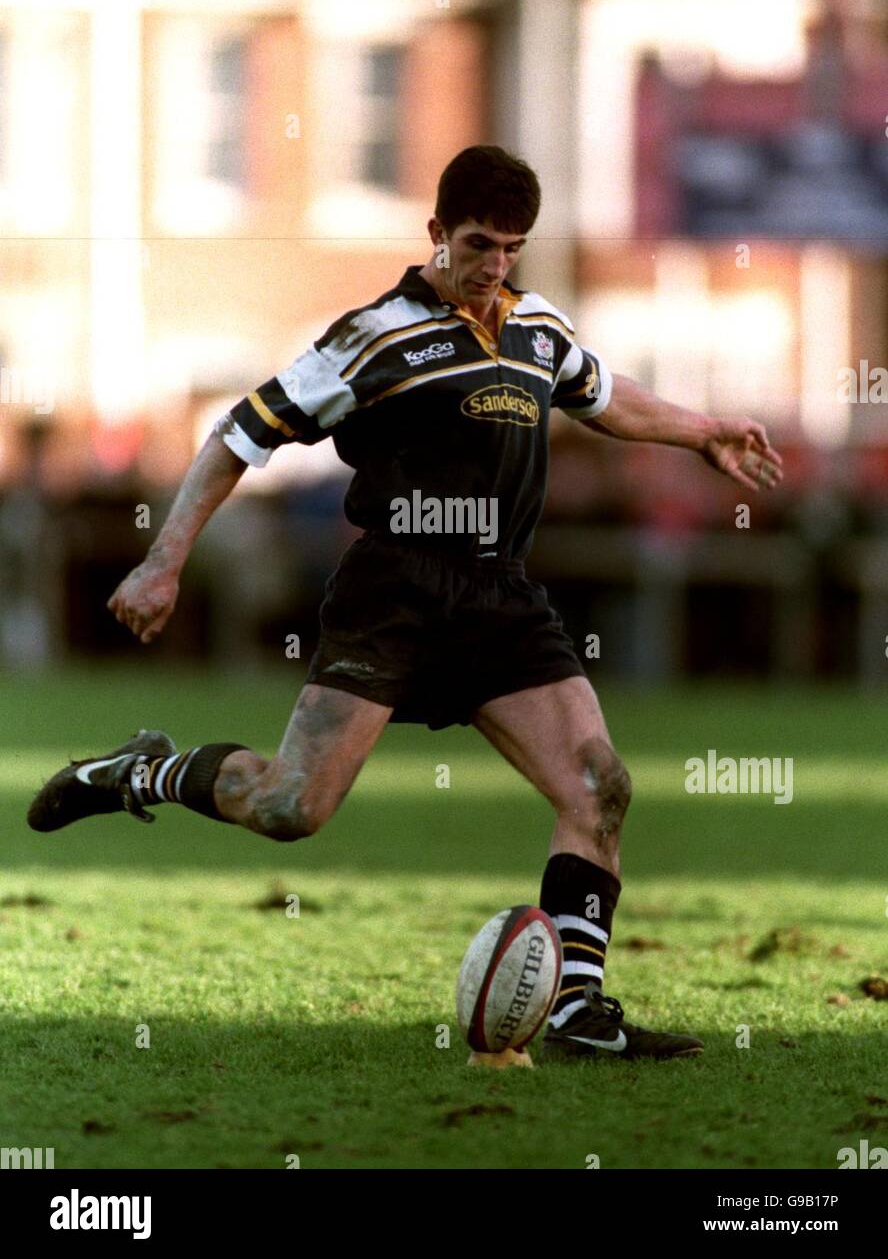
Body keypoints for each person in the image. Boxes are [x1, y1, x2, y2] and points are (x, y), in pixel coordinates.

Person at [28, 146, 783, 1061]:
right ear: (435, 233)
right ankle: (139, 772)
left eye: (512, 247)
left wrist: (704, 432)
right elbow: (237, 435)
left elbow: (600, 393)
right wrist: (162, 561)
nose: (494, 264)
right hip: (395, 593)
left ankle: (579, 1011)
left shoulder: (537, 326)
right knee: (290, 808)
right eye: (478, 243)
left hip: (501, 597)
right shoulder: (376, 335)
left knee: (600, 788)